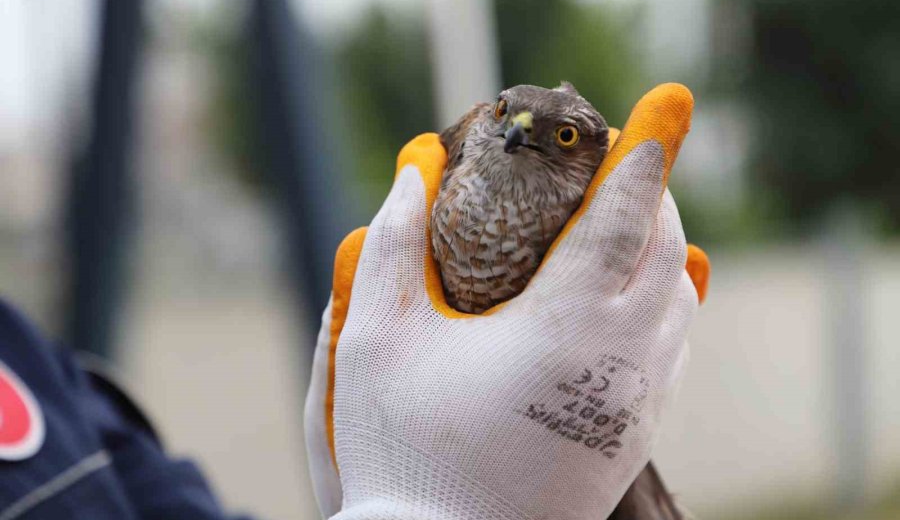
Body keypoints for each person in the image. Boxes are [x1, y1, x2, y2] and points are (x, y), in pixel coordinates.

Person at [0, 84, 706, 519]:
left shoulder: (35, 367)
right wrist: (409, 504)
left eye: (556, 134)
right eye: (504, 115)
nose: (515, 131)